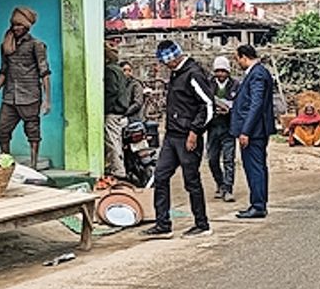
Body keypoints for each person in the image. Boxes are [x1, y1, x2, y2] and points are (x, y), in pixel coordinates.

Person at [144, 40, 214, 239]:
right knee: (160, 176)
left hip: (188, 137)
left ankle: (202, 224)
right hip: (171, 135)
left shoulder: (194, 74)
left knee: (191, 181)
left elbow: (208, 106)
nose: (166, 66)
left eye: (167, 63)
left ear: (175, 59)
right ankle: (162, 223)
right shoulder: (176, 74)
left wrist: (195, 132)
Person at [0, 6, 51, 169]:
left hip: (30, 96)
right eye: (14, 25)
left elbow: (45, 73)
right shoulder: (6, 46)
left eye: (20, 25)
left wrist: (47, 100)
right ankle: (7, 163)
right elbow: (3, 72)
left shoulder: (37, 45)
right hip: (10, 97)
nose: (16, 28)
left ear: (27, 27)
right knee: (1, 129)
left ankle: (34, 165)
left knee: (33, 132)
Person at [230, 44, 274, 219]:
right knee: (257, 167)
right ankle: (258, 203)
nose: (237, 62)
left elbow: (256, 105)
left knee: (254, 167)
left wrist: (245, 131)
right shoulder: (259, 73)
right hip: (256, 130)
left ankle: (258, 205)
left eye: (237, 58)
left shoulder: (257, 75)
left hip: (254, 131)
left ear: (243, 57)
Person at [207, 55, 238, 202]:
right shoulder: (209, 85)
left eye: (223, 71)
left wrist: (229, 110)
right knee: (212, 159)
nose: (220, 74)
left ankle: (228, 189)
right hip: (213, 127)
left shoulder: (235, 85)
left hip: (228, 127)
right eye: (217, 71)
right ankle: (220, 183)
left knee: (228, 160)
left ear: (228, 71)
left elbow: (238, 104)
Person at [101, 43, 130, 178]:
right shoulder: (118, 70)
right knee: (115, 141)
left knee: (112, 142)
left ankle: (118, 171)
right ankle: (117, 168)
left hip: (113, 111)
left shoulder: (110, 71)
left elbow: (111, 91)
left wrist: (104, 108)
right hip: (120, 112)